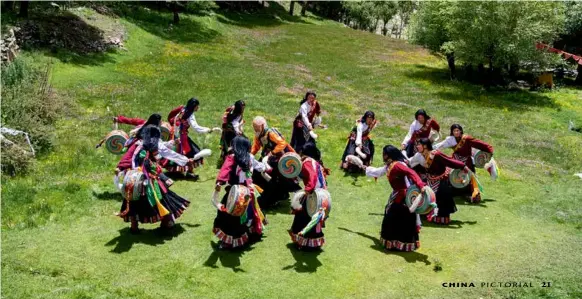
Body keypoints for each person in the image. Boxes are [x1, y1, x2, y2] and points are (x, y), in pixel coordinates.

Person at [117, 125, 192, 233]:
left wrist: (184, 160)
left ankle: (164, 223)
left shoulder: (151, 146)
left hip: (146, 177)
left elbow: (163, 155)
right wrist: (120, 168)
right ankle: (141, 226)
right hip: (138, 178)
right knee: (147, 199)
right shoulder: (138, 145)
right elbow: (129, 158)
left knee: (142, 200)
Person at [364, 145, 428, 252]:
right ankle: (393, 243)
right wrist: (365, 168)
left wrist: (420, 185)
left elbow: (411, 173)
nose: (382, 156)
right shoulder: (389, 166)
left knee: (396, 218)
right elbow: (378, 172)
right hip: (396, 194)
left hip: (403, 196)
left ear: (389, 155)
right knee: (391, 216)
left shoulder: (398, 165)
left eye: (384, 154)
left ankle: (401, 244)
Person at [212, 136, 268, 249]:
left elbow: (225, 171)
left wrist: (220, 183)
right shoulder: (250, 157)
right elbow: (260, 167)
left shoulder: (232, 158)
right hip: (248, 192)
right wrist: (266, 165)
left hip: (235, 194)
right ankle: (248, 235)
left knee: (228, 216)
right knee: (246, 214)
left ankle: (229, 241)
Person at [408, 138, 469, 224]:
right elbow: (410, 162)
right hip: (430, 180)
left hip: (441, 180)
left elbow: (449, 161)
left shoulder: (436, 154)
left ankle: (441, 218)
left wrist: (463, 166)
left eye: (419, 145)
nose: (417, 146)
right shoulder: (418, 155)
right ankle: (426, 214)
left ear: (425, 146)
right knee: (427, 197)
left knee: (442, 198)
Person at [434, 124, 494, 202]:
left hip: (467, 163)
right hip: (455, 161)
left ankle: (469, 194)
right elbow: (440, 145)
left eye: (457, 130)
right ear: (452, 132)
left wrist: (489, 149)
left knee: (469, 178)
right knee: (448, 175)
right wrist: (430, 149)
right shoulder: (450, 140)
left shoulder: (466, 139)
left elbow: (478, 143)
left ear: (461, 131)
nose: (456, 132)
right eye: (454, 131)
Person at [250, 116, 300, 207]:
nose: (255, 129)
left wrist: (271, 153)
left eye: (256, 127)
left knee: (276, 178)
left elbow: (282, 143)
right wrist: (251, 155)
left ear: (262, 125)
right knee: (256, 173)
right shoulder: (258, 135)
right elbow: (256, 146)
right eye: (254, 127)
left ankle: (276, 196)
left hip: (277, 158)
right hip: (266, 158)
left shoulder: (271, 133)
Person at [167, 98, 220, 178]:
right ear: (193, 106)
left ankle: (179, 171)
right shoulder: (190, 115)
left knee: (182, 153)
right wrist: (209, 130)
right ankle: (189, 172)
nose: (198, 108)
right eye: (197, 106)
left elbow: (173, 118)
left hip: (176, 135)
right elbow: (196, 128)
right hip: (182, 137)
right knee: (193, 153)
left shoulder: (182, 109)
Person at [289, 143, 329, 250]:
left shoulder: (308, 162)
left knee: (304, 216)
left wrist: (307, 191)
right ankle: (312, 243)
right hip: (321, 194)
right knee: (313, 217)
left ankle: (305, 242)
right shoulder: (315, 162)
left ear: (303, 152)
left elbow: (312, 176)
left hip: (314, 194)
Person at [218, 100, 246, 168]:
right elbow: (235, 125)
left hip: (230, 131)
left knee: (228, 147)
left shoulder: (234, 110)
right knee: (230, 147)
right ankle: (229, 162)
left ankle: (226, 161)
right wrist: (239, 132)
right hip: (230, 133)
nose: (243, 109)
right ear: (238, 108)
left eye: (244, 108)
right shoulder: (234, 114)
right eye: (242, 108)